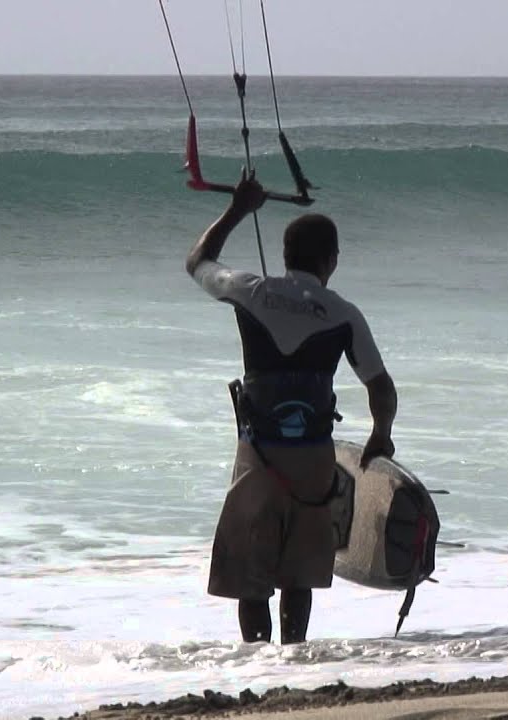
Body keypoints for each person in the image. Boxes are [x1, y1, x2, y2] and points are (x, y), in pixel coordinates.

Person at [186, 170, 398, 643]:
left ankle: (257, 661)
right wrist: (380, 435)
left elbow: (198, 261)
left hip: (259, 455)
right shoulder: (343, 313)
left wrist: (238, 210)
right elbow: (381, 388)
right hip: (314, 459)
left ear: (285, 255)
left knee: (251, 576)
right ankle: (294, 659)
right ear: (331, 260)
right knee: (299, 573)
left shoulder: (250, 290)